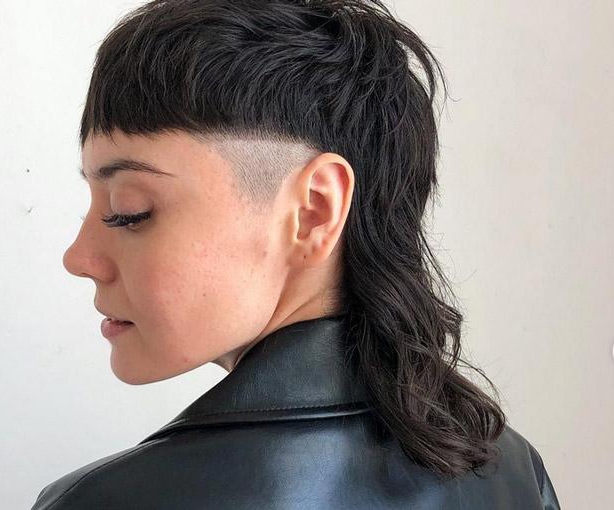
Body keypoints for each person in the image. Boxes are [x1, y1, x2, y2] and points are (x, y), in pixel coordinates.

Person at [31, 0, 561, 508]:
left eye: (129, 212)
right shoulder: (510, 467)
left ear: (313, 212)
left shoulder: (105, 502)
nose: (79, 257)